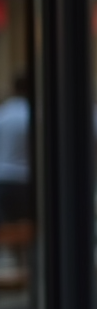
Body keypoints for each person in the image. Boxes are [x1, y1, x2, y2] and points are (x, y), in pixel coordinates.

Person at [0, 72, 31, 225]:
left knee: (8, 227)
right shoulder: (34, 113)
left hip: (5, 177)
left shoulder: (4, 113)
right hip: (27, 178)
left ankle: (13, 250)